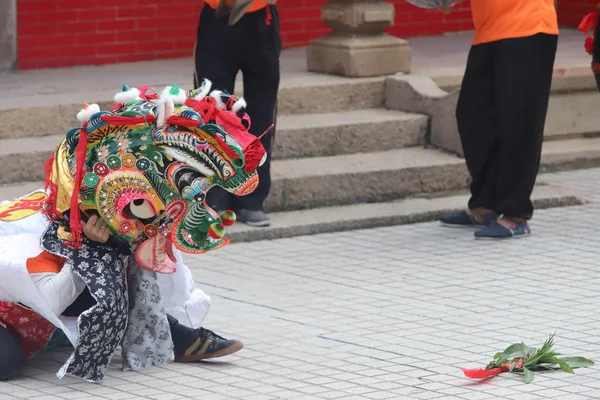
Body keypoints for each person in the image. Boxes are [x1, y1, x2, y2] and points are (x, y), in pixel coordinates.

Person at [0, 210, 243, 381]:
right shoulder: (26, 252)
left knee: (104, 284)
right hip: (29, 303)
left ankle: (176, 337)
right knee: (6, 363)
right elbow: (52, 299)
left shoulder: (27, 235)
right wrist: (86, 246)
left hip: (34, 289)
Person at [439, 0, 558, 239]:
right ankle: (484, 204)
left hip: (528, 25)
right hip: (489, 29)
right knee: (472, 115)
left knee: (519, 122)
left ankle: (516, 215)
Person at [193, 0, 281, 227]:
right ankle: (213, 197)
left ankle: (251, 199)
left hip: (261, 21)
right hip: (217, 20)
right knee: (212, 115)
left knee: (261, 117)